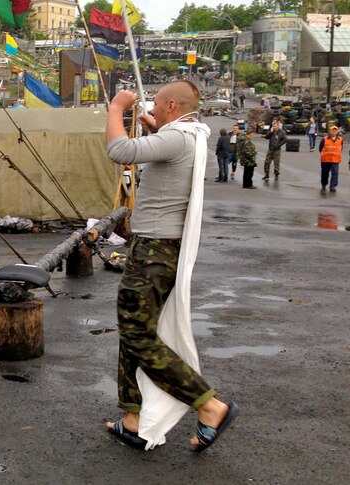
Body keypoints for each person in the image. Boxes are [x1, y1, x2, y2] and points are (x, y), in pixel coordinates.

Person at [103, 81, 238, 452]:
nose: (153, 108)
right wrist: (155, 130)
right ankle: (133, 420)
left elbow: (119, 150)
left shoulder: (178, 137)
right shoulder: (187, 135)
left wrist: (117, 109)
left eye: (158, 104)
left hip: (154, 252)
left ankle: (210, 405)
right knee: (134, 331)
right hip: (158, 249)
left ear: (172, 105)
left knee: (137, 335)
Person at [318, 125, 343, 192]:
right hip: (326, 159)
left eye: (335, 131)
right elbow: (320, 148)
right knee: (325, 173)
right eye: (333, 131)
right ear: (330, 131)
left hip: (335, 159)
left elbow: (341, 148)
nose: (334, 132)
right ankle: (324, 183)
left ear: (337, 132)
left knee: (335, 173)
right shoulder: (324, 139)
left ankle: (333, 186)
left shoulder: (340, 139)